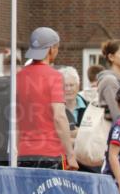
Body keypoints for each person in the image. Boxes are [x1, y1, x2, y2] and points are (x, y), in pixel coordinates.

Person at [16, 27, 77, 170]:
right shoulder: (55, 76)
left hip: (24, 152)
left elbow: (16, 119)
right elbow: (59, 116)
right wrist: (70, 154)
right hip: (51, 152)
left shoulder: (19, 77)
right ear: (51, 49)